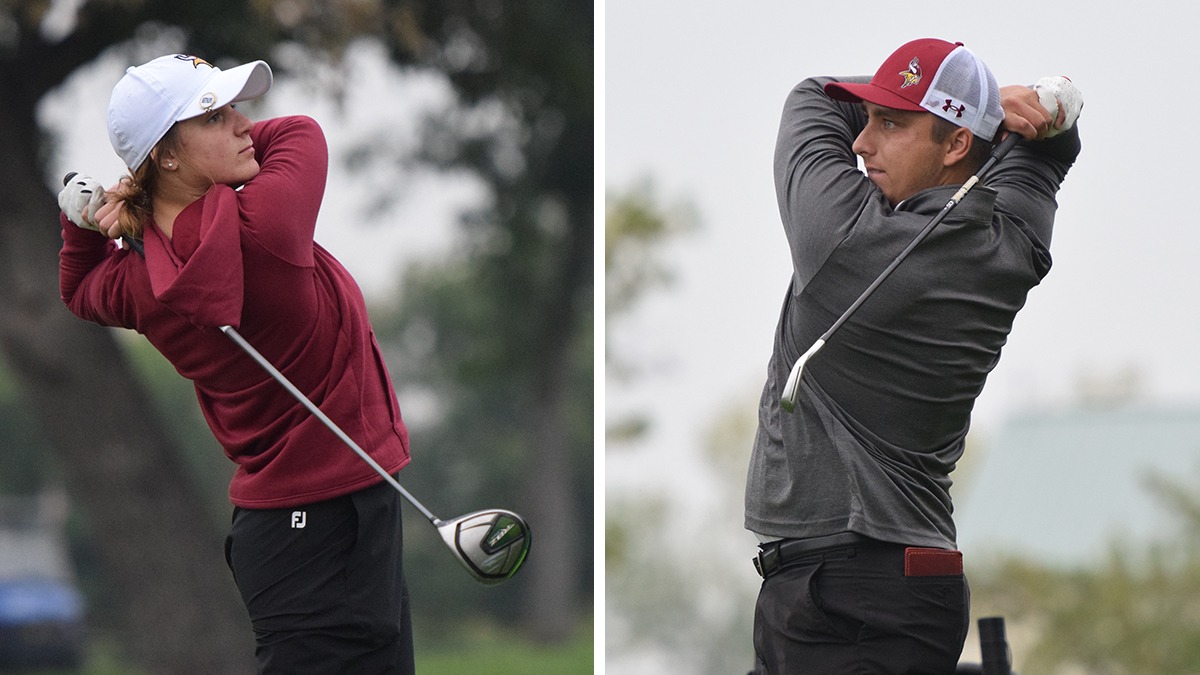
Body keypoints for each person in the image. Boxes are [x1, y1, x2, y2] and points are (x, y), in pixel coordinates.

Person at [56, 54, 415, 673]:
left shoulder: (138, 282)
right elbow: (300, 130)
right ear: (167, 153)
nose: (245, 124)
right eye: (216, 116)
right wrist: (137, 201)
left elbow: (79, 287)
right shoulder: (269, 221)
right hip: (323, 520)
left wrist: (92, 217)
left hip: (300, 524)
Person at [745, 38, 1082, 673]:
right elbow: (1050, 154)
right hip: (893, 588)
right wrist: (1028, 112)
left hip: (848, 594)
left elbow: (812, 99)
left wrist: (1007, 99)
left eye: (892, 123)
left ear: (956, 144)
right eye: (868, 117)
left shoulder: (842, 238)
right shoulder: (1012, 245)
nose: (862, 142)